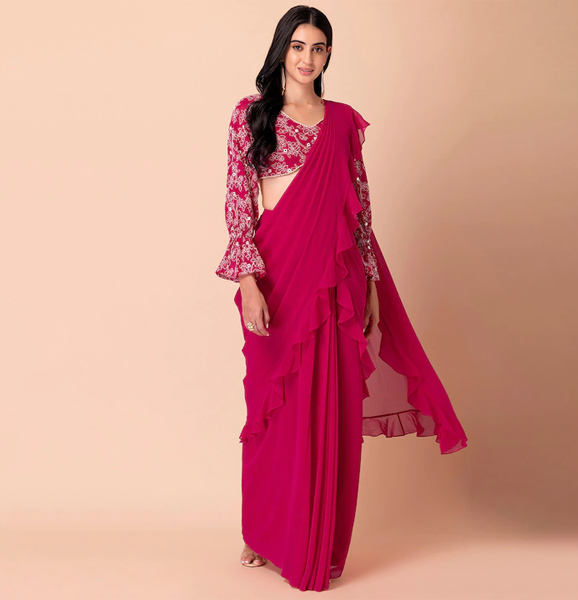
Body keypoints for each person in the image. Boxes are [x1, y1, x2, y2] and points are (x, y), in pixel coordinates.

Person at [215, 6, 468, 592]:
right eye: (298, 46)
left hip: (337, 279)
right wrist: (248, 280)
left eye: (319, 48)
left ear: (329, 55)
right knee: (272, 405)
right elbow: (236, 199)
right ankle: (263, 532)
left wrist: (372, 283)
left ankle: (315, 539)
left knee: (328, 406)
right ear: (281, 48)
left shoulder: (343, 121)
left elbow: (361, 206)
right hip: (277, 275)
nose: (307, 59)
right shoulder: (251, 115)